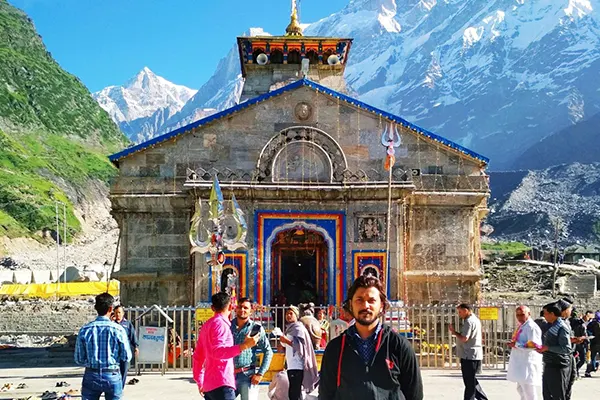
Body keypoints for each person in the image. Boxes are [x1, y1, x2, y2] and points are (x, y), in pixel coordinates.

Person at [319, 275, 423, 400]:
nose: (365, 306)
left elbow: (414, 394)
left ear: (382, 305)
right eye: (359, 300)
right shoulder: (336, 348)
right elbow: (326, 394)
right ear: (351, 304)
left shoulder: (399, 346)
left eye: (371, 300)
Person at [193, 292, 259, 400]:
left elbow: (198, 356)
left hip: (210, 385)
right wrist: (244, 345)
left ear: (212, 308)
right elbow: (218, 352)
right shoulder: (221, 324)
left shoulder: (207, 325)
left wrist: (200, 381)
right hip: (222, 383)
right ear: (230, 306)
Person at [75, 293, 132, 400]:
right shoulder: (119, 330)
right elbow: (127, 356)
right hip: (112, 374)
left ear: (96, 308)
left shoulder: (85, 330)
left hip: (91, 373)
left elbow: (79, 359)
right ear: (111, 309)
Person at [231, 297, 273, 400]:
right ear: (236, 309)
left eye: (246, 308)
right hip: (228, 375)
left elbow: (268, 351)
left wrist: (260, 373)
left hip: (247, 375)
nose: (242, 310)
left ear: (251, 311)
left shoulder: (256, 329)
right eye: (240, 307)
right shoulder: (228, 326)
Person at [278, 305, 319, 400]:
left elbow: (300, 346)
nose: (288, 315)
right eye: (287, 313)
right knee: (293, 391)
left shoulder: (298, 328)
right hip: (291, 364)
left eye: (291, 313)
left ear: (296, 315)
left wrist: (286, 341)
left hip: (297, 365)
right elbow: (288, 345)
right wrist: (282, 341)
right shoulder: (290, 328)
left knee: (294, 393)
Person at [449, 303, 488, 400]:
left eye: (460, 312)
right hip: (473, 354)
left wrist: (454, 332)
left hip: (469, 355)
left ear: (466, 310)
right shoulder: (475, 319)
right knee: (471, 380)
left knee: (469, 382)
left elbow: (464, 338)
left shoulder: (469, 322)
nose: (459, 314)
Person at [536, 302, 572, 400]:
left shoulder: (561, 327)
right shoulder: (552, 325)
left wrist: (548, 348)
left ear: (552, 314)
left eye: (545, 313)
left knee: (558, 396)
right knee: (547, 395)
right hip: (549, 364)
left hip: (558, 366)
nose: (544, 316)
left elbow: (566, 348)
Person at [506, 305, 543, 400]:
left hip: (527, 363)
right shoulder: (522, 326)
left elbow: (534, 345)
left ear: (529, 314)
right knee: (521, 390)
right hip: (520, 363)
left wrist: (516, 345)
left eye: (522, 315)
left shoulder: (531, 327)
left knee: (529, 391)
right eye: (517, 315)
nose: (519, 317)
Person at [113, 305, 138, 390]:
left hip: (125, 351)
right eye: (116, 313)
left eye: (119, 312)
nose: (118, 314)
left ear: (123, 313)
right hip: (114, 351)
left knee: (124, 370)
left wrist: (136, 346)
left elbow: (132, 336)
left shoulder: (127, 324)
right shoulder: (111, 324)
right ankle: (115, 387)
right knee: (114, 371)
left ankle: (120, 388)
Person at [584, 311, 600, 378]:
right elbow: (588, 332)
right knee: (592, 358)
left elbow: (588, 332)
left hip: (594, 343)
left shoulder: (591, 324)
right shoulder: (592, 324)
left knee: (593, 358)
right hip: (594, 344)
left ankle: (591, 368)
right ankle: (592, 368)